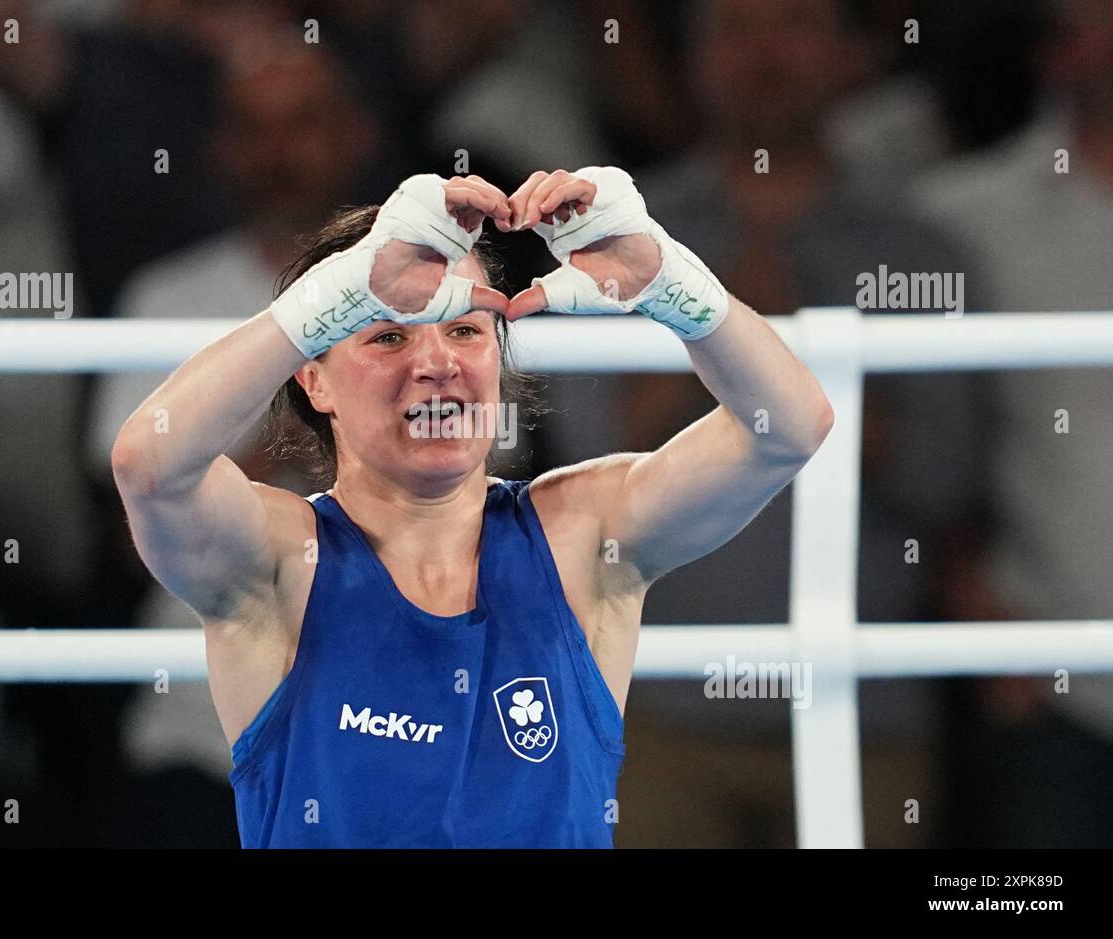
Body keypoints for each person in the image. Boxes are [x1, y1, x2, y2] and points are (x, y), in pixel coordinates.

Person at [110, 168, 834, 848]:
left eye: (464, 329)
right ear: (316, 381)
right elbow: (151, 466)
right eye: (389, 333)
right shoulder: (280, 561)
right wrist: (335, 295)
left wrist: (669, 281)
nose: (435, 362)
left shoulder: (580, 534)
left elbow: (790, 427)